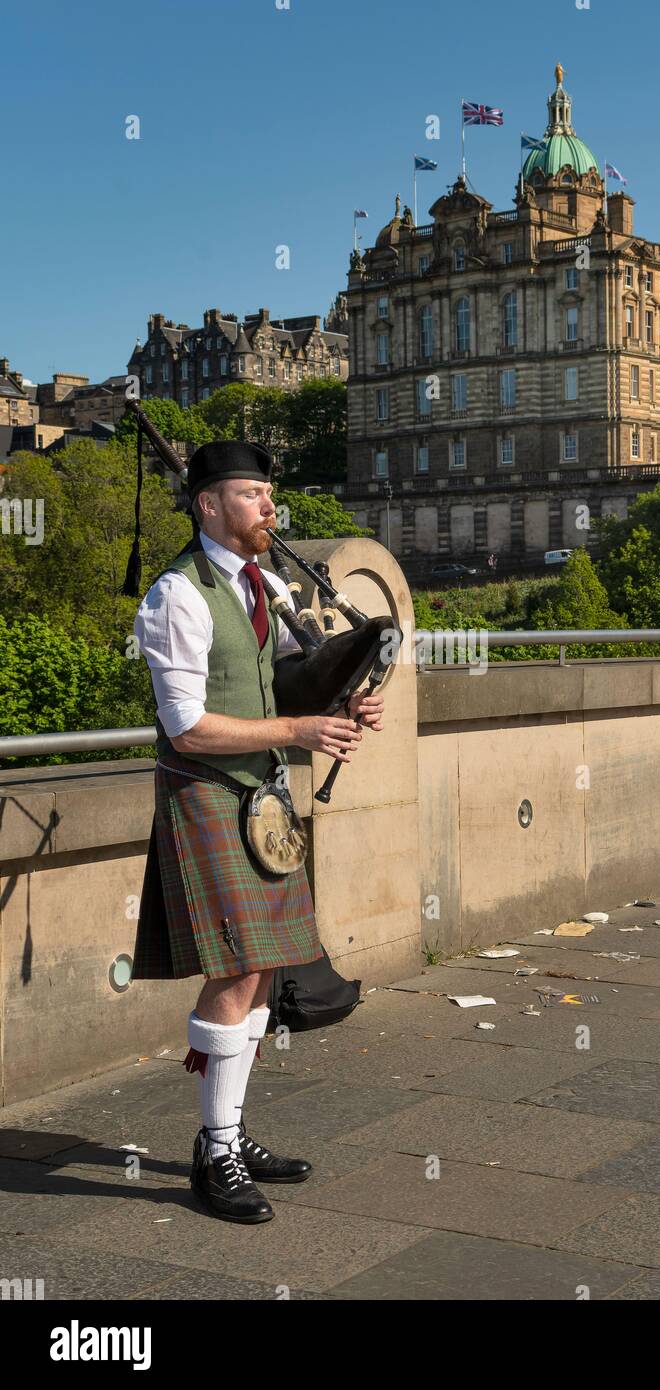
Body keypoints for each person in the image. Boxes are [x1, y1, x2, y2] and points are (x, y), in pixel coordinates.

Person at [130, 439, 385, 1224]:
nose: (268, 507)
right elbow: (187, 728)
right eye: (251, 494)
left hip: (259, 799)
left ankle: (232, 1133)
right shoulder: (178, 594)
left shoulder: (262, 584)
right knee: (237, 973)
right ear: (209, 505)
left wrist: (342, 705)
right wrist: (300, 730)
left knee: (265, 971)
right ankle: (214, 1153)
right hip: (207, 794)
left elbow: (284, 679)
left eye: (269, 494)